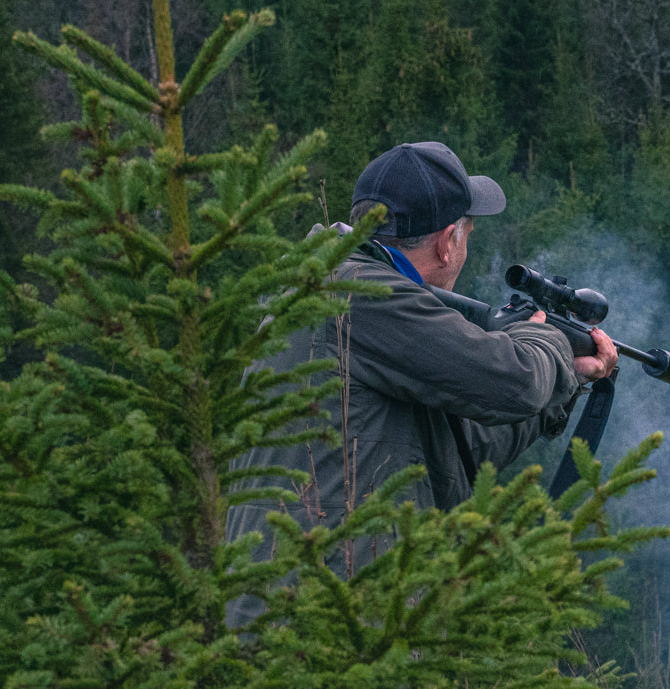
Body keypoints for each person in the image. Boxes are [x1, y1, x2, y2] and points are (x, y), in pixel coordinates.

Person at [224, 142, 617, 626]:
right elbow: (512, 380)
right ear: (448, 240)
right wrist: (547, 337)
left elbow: (458, 449)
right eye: (467, 234)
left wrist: (563, 383)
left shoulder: (325, 284)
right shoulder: (360, 294)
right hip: (327, 625)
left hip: (301, 611)